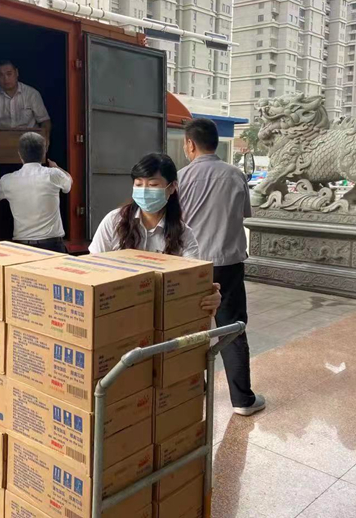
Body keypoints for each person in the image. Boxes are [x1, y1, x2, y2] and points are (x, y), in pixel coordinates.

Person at [178, 118, 265, 417]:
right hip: (228, 264)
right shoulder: (235, 175)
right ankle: (242, 400)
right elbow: (243, 214)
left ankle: (195, 391)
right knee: (232, 329)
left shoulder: (181, 178)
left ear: (190, 144)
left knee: (190, 329)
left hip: (190, 266)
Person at [88, 152, 221, 314]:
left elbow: (193, 280)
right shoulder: (114, 221)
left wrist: (209, 294)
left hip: (163, 312)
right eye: (138, 184)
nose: (144, 191)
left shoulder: (183, 234)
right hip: (118, 309)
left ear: (171, 187)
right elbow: (93, 268)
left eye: (153, 185)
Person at [0, 132, 72, 253]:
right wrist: (56, 167)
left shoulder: (8, 180)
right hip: (53, 246)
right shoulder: (53, 174)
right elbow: (69, 181)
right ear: (44, 152)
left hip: (23, 249)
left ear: (20, 154)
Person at [0, 60, 51, 174]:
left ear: (16, 73)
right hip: (3, 145)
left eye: (9, 74)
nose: (6, 79)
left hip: (30, 145)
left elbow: (45, 121)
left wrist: (46, 138)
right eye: (1, 75)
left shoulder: (32, 94)